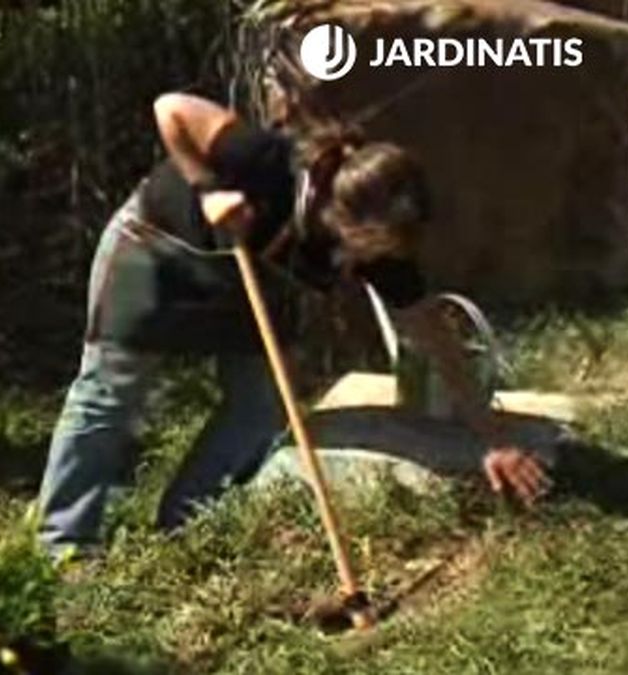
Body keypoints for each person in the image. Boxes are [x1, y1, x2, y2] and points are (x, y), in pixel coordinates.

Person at [35, 91, 552, 555]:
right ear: (340, 214)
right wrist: (209, 188)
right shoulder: (266, 163)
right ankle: (66, 543)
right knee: (111, 394)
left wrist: (492, 437)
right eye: (369, 247)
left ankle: (186, 521)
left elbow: (432, 334)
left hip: (243, 281)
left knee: (262, 405)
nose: (371, 263)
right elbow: (171, 108)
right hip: (158, 251)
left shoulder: (381, 248)